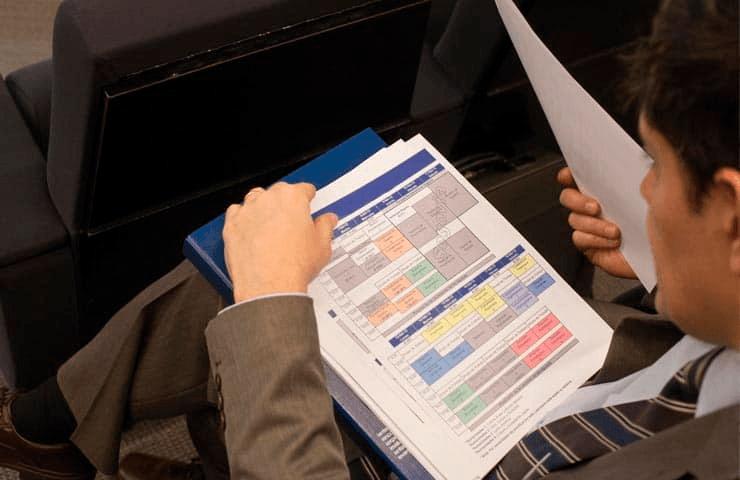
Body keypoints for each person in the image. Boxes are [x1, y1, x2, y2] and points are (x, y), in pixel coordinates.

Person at [1, 0, 737, 478]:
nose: (640, 191)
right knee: (308, 244)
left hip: (468, 452)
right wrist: (665, 274)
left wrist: (271, 307)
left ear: (730, 212)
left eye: (656, 169)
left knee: (262, 285)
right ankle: (59, 428)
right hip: (565, 396)